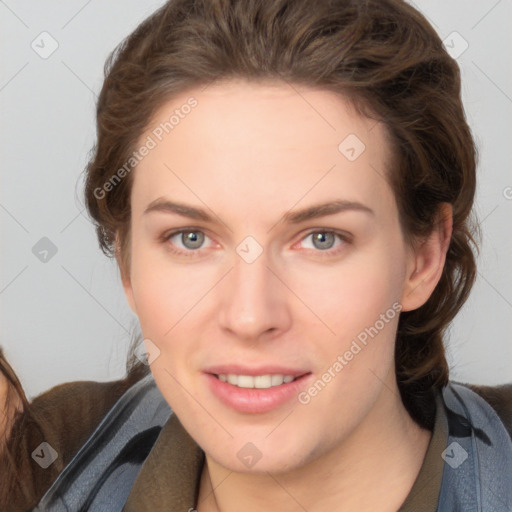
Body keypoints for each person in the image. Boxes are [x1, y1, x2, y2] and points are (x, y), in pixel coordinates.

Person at [1, 0, 511, 510]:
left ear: (423, 258)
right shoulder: (46, 462)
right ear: (127, 263)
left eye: (321, 239)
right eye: (191, 238)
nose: (249, 317)